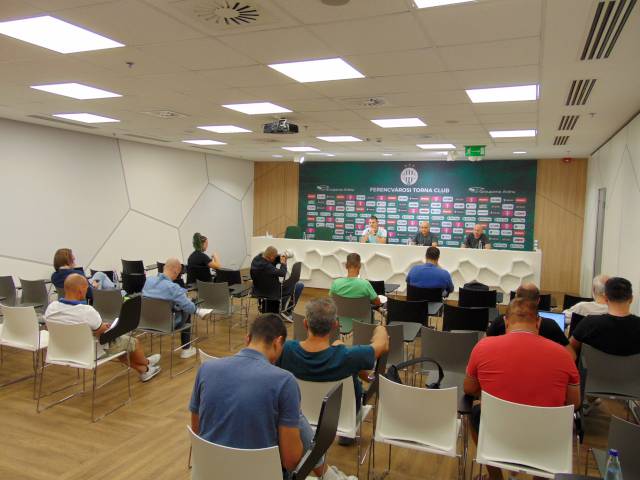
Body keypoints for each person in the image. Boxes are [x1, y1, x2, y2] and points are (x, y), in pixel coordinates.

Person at [189, 313, 352, 480]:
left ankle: (328, 474)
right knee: (296, 417)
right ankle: (329, 475)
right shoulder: (284, 381)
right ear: (278, 342)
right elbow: (291, 461)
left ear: (247, 339)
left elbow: (198, 431)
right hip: (261, 475)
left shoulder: (206, 369)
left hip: (209, 473)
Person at [464, 297, 580, 480]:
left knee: (476, 410)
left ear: (506, 321)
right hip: (545, 437)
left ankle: (495, 477)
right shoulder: (564, 355)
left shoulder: (483, 346)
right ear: (538, 322)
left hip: (498, 432)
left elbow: (469, 389)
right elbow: (574, 403)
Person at [278, 298, 388, 423]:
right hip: (342, 418)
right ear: (335, 325)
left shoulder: (285, 349)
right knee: (342, 350)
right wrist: (381, 327)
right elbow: (382, 344)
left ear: (305, 323)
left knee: (339, 346)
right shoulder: (349, 355)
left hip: (297, 415)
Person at [45, 274, 161, 381]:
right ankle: (147, 363)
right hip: (89, 351)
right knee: (132, 342)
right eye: (86, 289)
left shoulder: (51, 308)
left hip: (62, 351)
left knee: (119, 345)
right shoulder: (87, 311)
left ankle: (145, 369)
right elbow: (102, 334)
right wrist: (105, 327)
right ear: (80, 291)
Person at [568, 276, 640, 358]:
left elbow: (570, 351)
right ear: (631, 299)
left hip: (593, 366)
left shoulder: (588, 323)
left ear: (606, 298)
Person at [143, 258, 197, 359]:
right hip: (166, 324)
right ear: (176, 271)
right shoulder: (173, 288)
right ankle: (186, 349)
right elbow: (190, 308)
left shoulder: (148, 281)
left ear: (164, 267)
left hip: (146, 323)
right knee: (187, 308)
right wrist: (188, 303)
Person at [487, 283, 568, 346]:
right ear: (538, 300)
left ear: (515, 298)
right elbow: (571, 354)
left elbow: (484, 344)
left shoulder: (499, 321)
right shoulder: (551, 325)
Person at [250, 246, 304, 316]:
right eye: (274, 256)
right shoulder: (267, 267)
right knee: (299, 285)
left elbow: (273, 260)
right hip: (271, 292)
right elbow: (282, 273)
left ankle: (282, 307)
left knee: (292, 285)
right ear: (271, 257)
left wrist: (281, 256)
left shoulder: (257, 259)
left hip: (258, 289)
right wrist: (283, 263)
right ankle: (287, 310)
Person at [51, 248, 117, 300]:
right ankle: (117, 293)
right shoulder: (77, 275)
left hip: (64, 302)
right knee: (101, 277)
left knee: (99, 274)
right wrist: (94, 286)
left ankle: (117, 291)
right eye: (72, 257)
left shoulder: (54, 276)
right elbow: (90, 294)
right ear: (68, 260)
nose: (74, 258)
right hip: (84, 300)